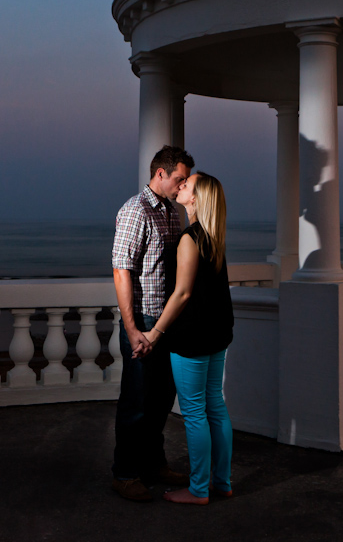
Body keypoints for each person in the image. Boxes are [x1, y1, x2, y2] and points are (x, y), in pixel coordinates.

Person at [142, 171, 234, 505]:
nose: (181, 187)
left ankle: (198, 490)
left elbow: (181, 294)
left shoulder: (190, 238)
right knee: (216, 407)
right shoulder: (213, 236)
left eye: (187, 185)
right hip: (217, 333)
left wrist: (154, 332)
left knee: (195, 412)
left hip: (193, 337)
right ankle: (221, 483)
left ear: (196, 198)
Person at [111, 145, 195, 501]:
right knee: (137, 402)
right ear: (160, 174)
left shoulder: (171, 213)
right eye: (179, 178)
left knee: (161, 399)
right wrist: (132, 331)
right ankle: (125, 474)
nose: (182, 184)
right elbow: (121, 271)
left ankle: (153, 464)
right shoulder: (135, 210)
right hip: (143, 323)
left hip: (164, 323)